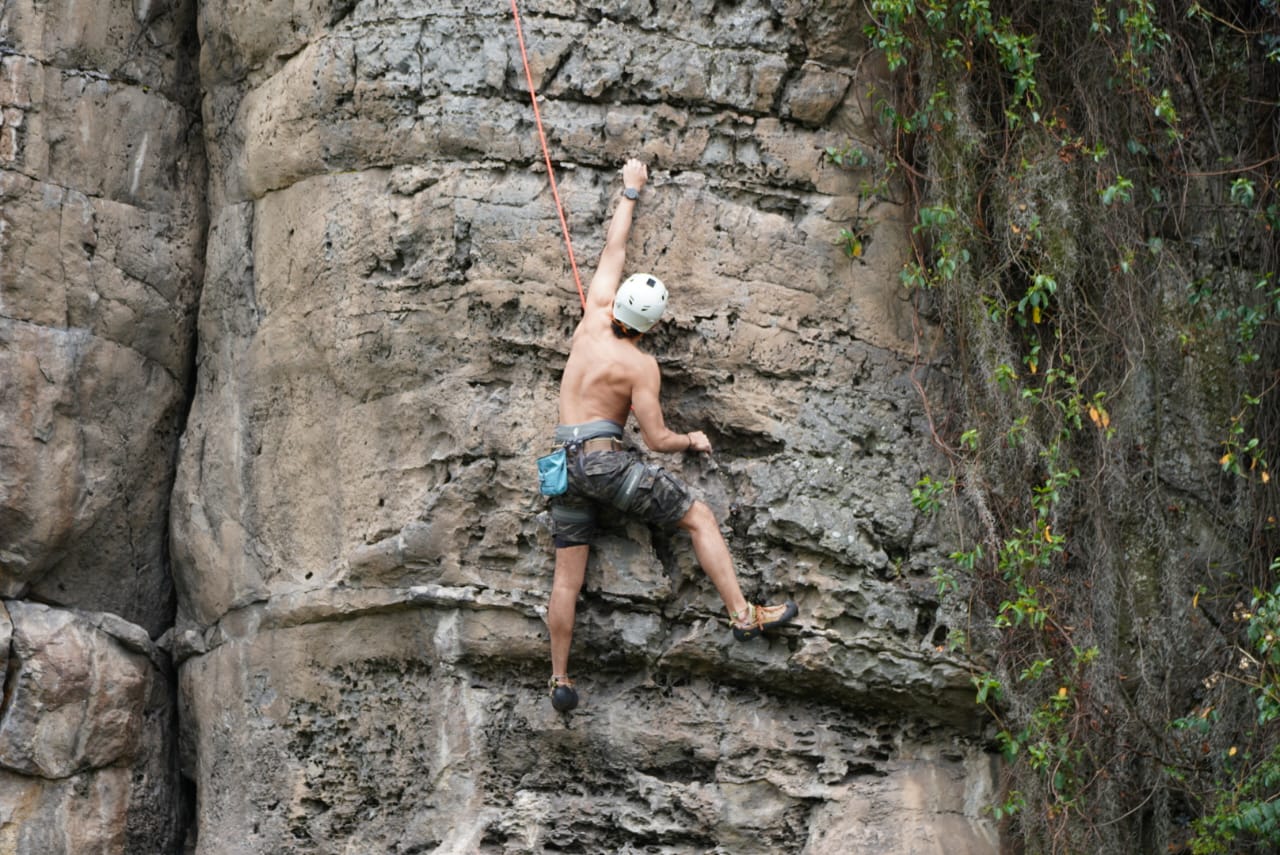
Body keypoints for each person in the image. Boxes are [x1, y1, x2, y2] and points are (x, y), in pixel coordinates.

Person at [545, 157, 798, 713]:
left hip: (563, 468)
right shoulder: (640, 367)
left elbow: (613, 252)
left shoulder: (592, 315)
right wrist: (692, 440)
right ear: (652, 324)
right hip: (604, 464)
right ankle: (742, 614)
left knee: (568, 578)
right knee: (698, 516)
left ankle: (560, 680)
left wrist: (629, 192)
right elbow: (655, 439)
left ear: (620, 299)